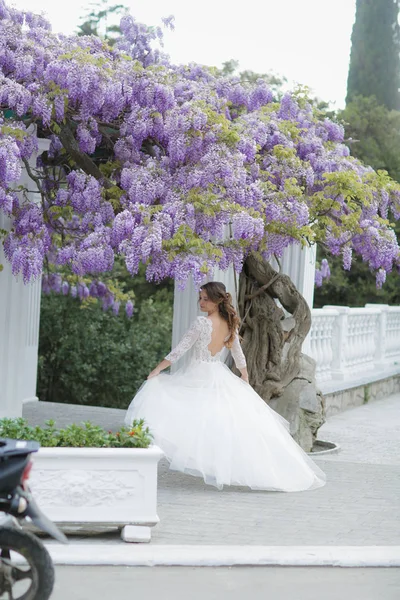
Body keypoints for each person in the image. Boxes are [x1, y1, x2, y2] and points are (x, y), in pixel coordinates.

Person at [125, 281, 326, 492]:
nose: (201, 302)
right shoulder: (230, 324)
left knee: (190, 414)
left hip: (199, 375)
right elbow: (238, 355)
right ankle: (212, 462)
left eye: (206, 299)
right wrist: (244, 378)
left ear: (218, 300)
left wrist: (157, 370)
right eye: (200, 298)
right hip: (218, 373)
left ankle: (208, 461)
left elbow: (180, 350)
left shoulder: (202, 324)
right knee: (216, 421)